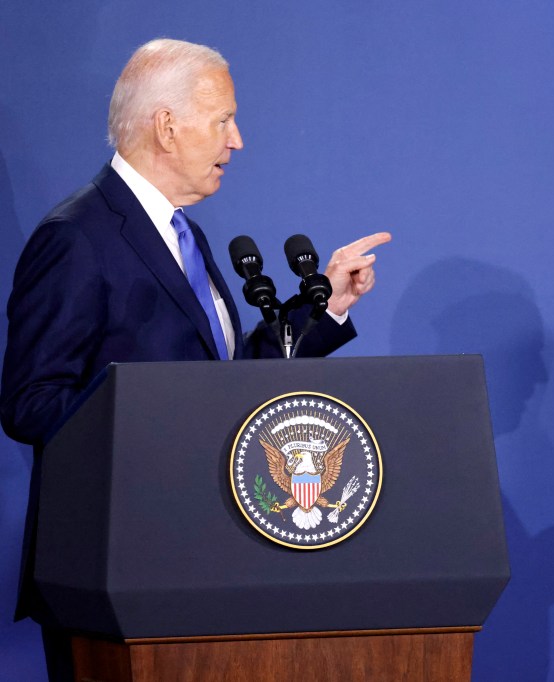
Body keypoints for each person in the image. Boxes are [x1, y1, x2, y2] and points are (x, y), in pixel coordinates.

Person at [0, 38, 389, 679]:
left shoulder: (183, 232)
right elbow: (32, 403)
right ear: (168, 125)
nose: (237, 141)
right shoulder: (76, 237)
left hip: (203, 558)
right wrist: (156, 418)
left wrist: (330, 305)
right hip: (115, 568)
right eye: (224, 120)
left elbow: (222, 388)